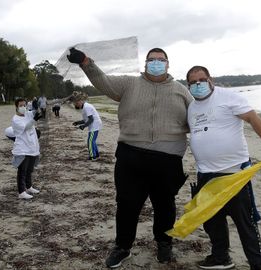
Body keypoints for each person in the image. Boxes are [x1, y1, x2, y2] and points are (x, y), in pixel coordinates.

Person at [67, 47, 193, 268]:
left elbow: (199, 120)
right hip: (130, 157)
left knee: (165, 205)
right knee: (126, 205)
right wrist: (85, 62)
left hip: (168, 160)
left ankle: (164, 244)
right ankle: (122, 247)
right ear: (145, 64)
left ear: (168, 64)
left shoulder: (181, 91)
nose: (156, 63)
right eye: (151, 60)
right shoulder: (129, 84)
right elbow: (102, 81)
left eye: (160, 60)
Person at [186, 66, 261, 270]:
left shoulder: (228, 97)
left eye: (201, 80)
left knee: (245, 223)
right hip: (206, 174)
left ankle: (258, 264)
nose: (198, 85)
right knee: (212, 220)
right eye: (193, 82)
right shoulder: (192, 107)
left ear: (210, 79)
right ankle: (220, 258)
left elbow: (252, 117)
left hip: (234, 174)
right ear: (188, 85)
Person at [11, 98, 42, 199]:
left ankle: (29, 187)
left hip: (31, 146)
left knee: (29, 169)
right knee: (22, 170)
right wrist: (34, 120)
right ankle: (21, 192)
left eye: (24, 105)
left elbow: (36, 112)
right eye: (20, 105)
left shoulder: (28, 114)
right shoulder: (15, 119)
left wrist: (37, 107)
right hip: (22, 147)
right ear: (16, 107)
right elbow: (27, 127)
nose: (23, 107)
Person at [71, 92, 102, 160]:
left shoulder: (87, 107)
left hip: (95, 124)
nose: (76, 105)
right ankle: (96, 154)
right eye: (75, 104)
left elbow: (91, 119)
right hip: (94, 124)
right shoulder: (84, 107)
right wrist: (78, 122)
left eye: (76, 103)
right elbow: (86, 120)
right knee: (92, 141)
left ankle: (92, 156)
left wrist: (83, 126)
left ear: (80, 101)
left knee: (90, 141)